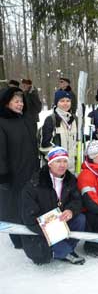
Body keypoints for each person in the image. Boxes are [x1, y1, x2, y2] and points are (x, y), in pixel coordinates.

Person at [21, 147, 86, 265]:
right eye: (58, 161)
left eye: (65, 161)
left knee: (80, 219)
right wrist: (50, 223)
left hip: (61, 222)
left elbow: (77, 200)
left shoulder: (70, 180)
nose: (62, 165)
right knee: (58, 248)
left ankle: (64, 250)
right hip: (43, 227)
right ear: (50, 164)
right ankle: (63, 251)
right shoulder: (35, 183)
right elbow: (29, 216)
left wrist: (70, 210)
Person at [0, 87, 39, 249]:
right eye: (16, 101)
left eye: (21, 101)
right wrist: (3, 175)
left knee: (28, 203)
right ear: (6, 103)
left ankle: (29, 233)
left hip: (29, 170)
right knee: (13, 206)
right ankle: (16, 236)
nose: (20, 104)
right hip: (12, 173)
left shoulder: (26, 119)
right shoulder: (2, 122)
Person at [40, 90, 78, 174]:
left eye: (68, 101)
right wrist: (58, 157)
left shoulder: (74, 119)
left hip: (71, 167)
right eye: (62, 101)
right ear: (57, 103)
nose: (65, 103)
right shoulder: (51, 120)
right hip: (55, 169)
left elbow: (76, 140)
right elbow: (45, 145)